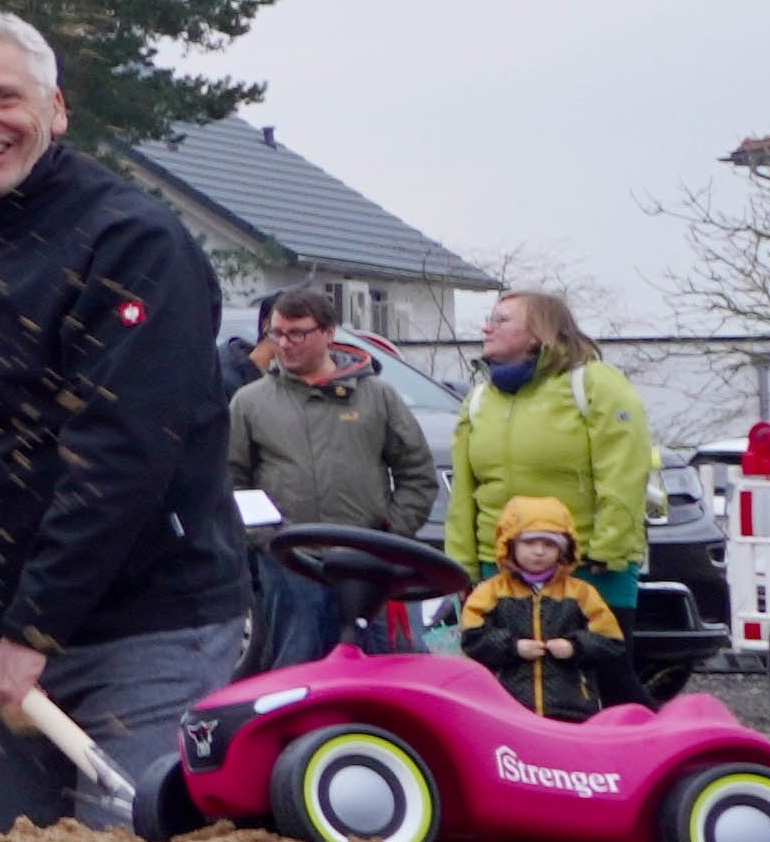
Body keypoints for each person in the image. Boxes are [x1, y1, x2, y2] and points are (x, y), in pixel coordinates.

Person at [0, 10, 253, 833]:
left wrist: (35, 628)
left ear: (55, 108)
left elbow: (120, 459)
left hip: (142, 629)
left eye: (3, 95)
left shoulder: (134, 243)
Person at [226, 285, 442, 666]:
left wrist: (389, 538)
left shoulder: (378, 396)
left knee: (387, 671)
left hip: (372, 568)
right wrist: (268, 539)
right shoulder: (249, 402)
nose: (285, 344)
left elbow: (417, 474)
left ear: (328, 333)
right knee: (297, 674)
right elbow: (232, 482)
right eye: (277, 334)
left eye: (298, 333)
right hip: (291, 568)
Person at [445, 285, 656, 617]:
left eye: (501, 320)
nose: (487, 328)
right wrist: (460, 564)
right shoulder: (479, 399)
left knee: (594, 667)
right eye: (490, 319)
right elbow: (463, 493)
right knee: (506, 668)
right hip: (498, 568)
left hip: (588, 567)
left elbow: (624, 471)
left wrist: (608, 549)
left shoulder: (596, 385)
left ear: (537, 334)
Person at [458, 496, 635, 721]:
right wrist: (513, 647)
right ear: (510, 545)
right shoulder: (491, 592)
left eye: (549, 544)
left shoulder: (581, 593)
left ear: (564, 550)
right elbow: (472, 640)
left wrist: (575, 647)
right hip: (506, 708)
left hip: (572, 709)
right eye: (529, 543)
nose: (539, 551)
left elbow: (611, 642)